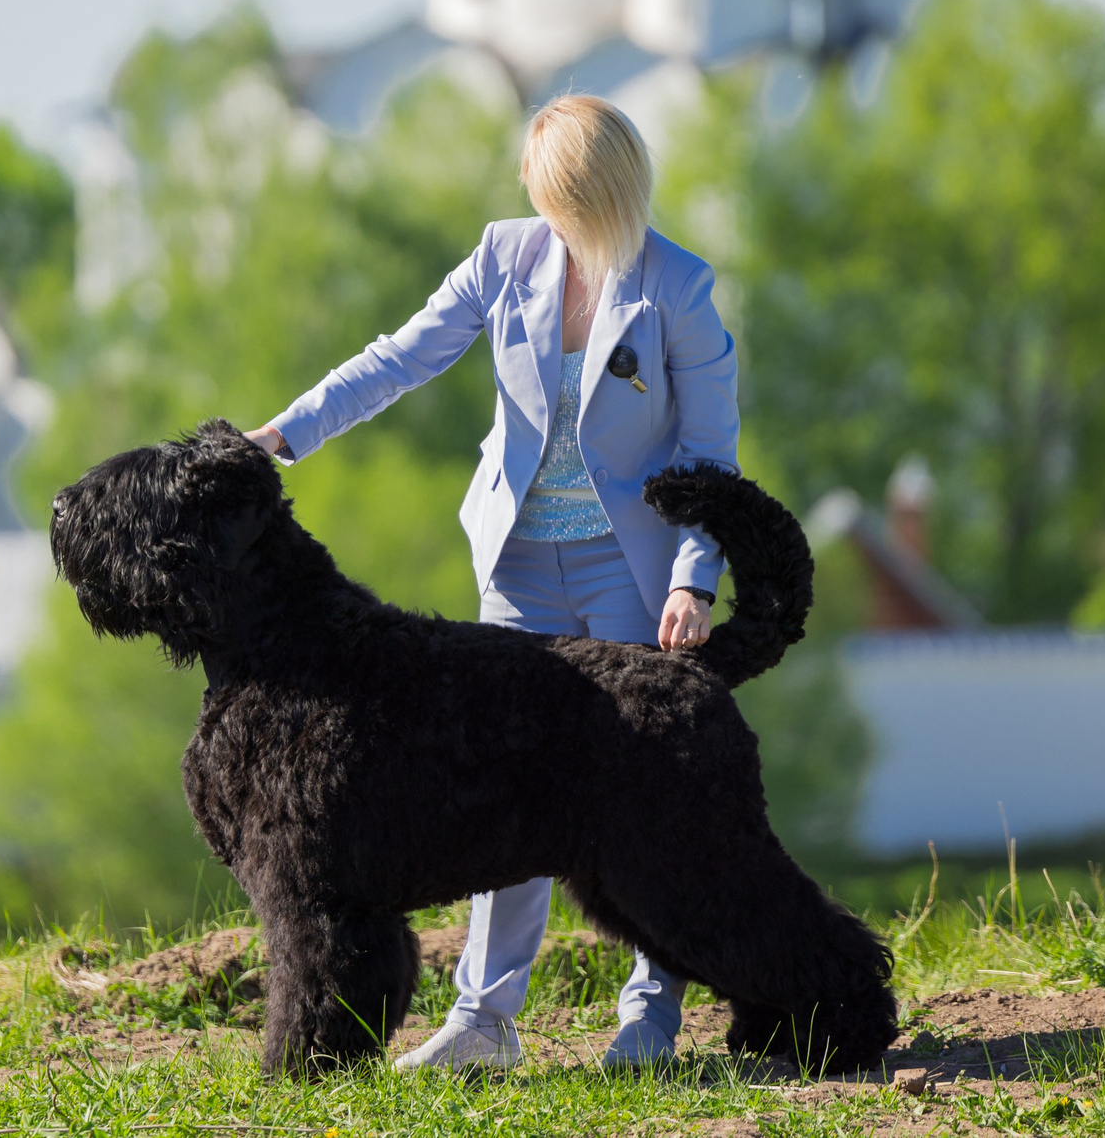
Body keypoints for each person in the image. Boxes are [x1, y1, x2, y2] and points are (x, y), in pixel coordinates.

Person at [246, 93, 740, 1072]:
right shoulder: (501, 257)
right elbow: (399, 357)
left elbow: (710, 452)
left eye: (552, 185)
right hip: (517, 564)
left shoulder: (675, 287)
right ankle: (484, 1018)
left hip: (625, 569)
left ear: (595, 192)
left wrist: (693, 579)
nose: (531, 193)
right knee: (501, 789)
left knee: (641, 794)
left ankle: (648, 1016)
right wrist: (284, 434)